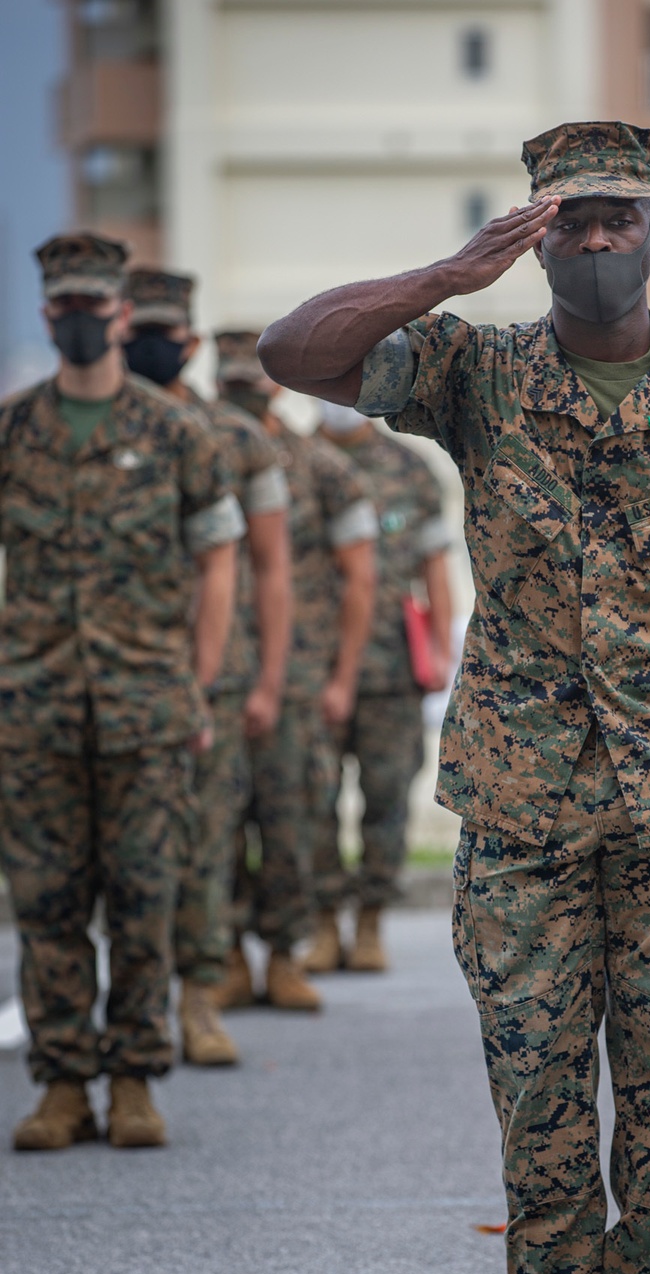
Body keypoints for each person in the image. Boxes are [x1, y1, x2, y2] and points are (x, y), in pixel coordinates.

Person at [259, 121, 650, 1274]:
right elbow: (293, 353)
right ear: (537, 235)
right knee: (538, 1066)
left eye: (618, 218)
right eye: (571, 220)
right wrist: (445, 277)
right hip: (519, 790)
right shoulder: (472, 371)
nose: (597, 242)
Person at [2, 233, 242, 1150]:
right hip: (34, 708)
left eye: (92, 309)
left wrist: (200, 680)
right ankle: (64, 1083)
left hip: (147, 707)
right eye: (62, 309)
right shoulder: (13, 432)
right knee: (49, 902)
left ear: (117, 312)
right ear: (46, 315)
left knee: (146, 896)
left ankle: (136, 1078)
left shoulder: (178, 432)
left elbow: (218, 559)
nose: (78, 322)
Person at [122, 269, 293, 1066]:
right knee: (119, 856)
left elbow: (270, 568)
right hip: (108, 678)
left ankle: (197, 998)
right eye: (136, 329)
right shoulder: (80, 429)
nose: (146, 344)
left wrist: (264, 681)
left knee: (205, 845)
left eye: (162, 331)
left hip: (210, 681)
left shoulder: (233, 438)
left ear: (185, 343)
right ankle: (129, 1009)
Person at [213, 333, 377, 1010]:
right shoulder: (199, 452)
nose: (241, 400)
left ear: (275, 387)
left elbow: (362, 580)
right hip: (218, 671)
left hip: (297, 674)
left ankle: (284, 954)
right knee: (216, 821)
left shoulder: (320, 468)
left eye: (251, 387)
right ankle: (222, 956)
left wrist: (341, 678)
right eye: (230, 387)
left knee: (292, 819)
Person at [302, 405, 452, 974]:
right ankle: (322, 921)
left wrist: (440, 648)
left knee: (387, 800)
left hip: (391, 670)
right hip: (311, 668)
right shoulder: (293, 462)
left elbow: (434, 566)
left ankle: (369, 922)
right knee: (311, 801)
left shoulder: (408, 469)